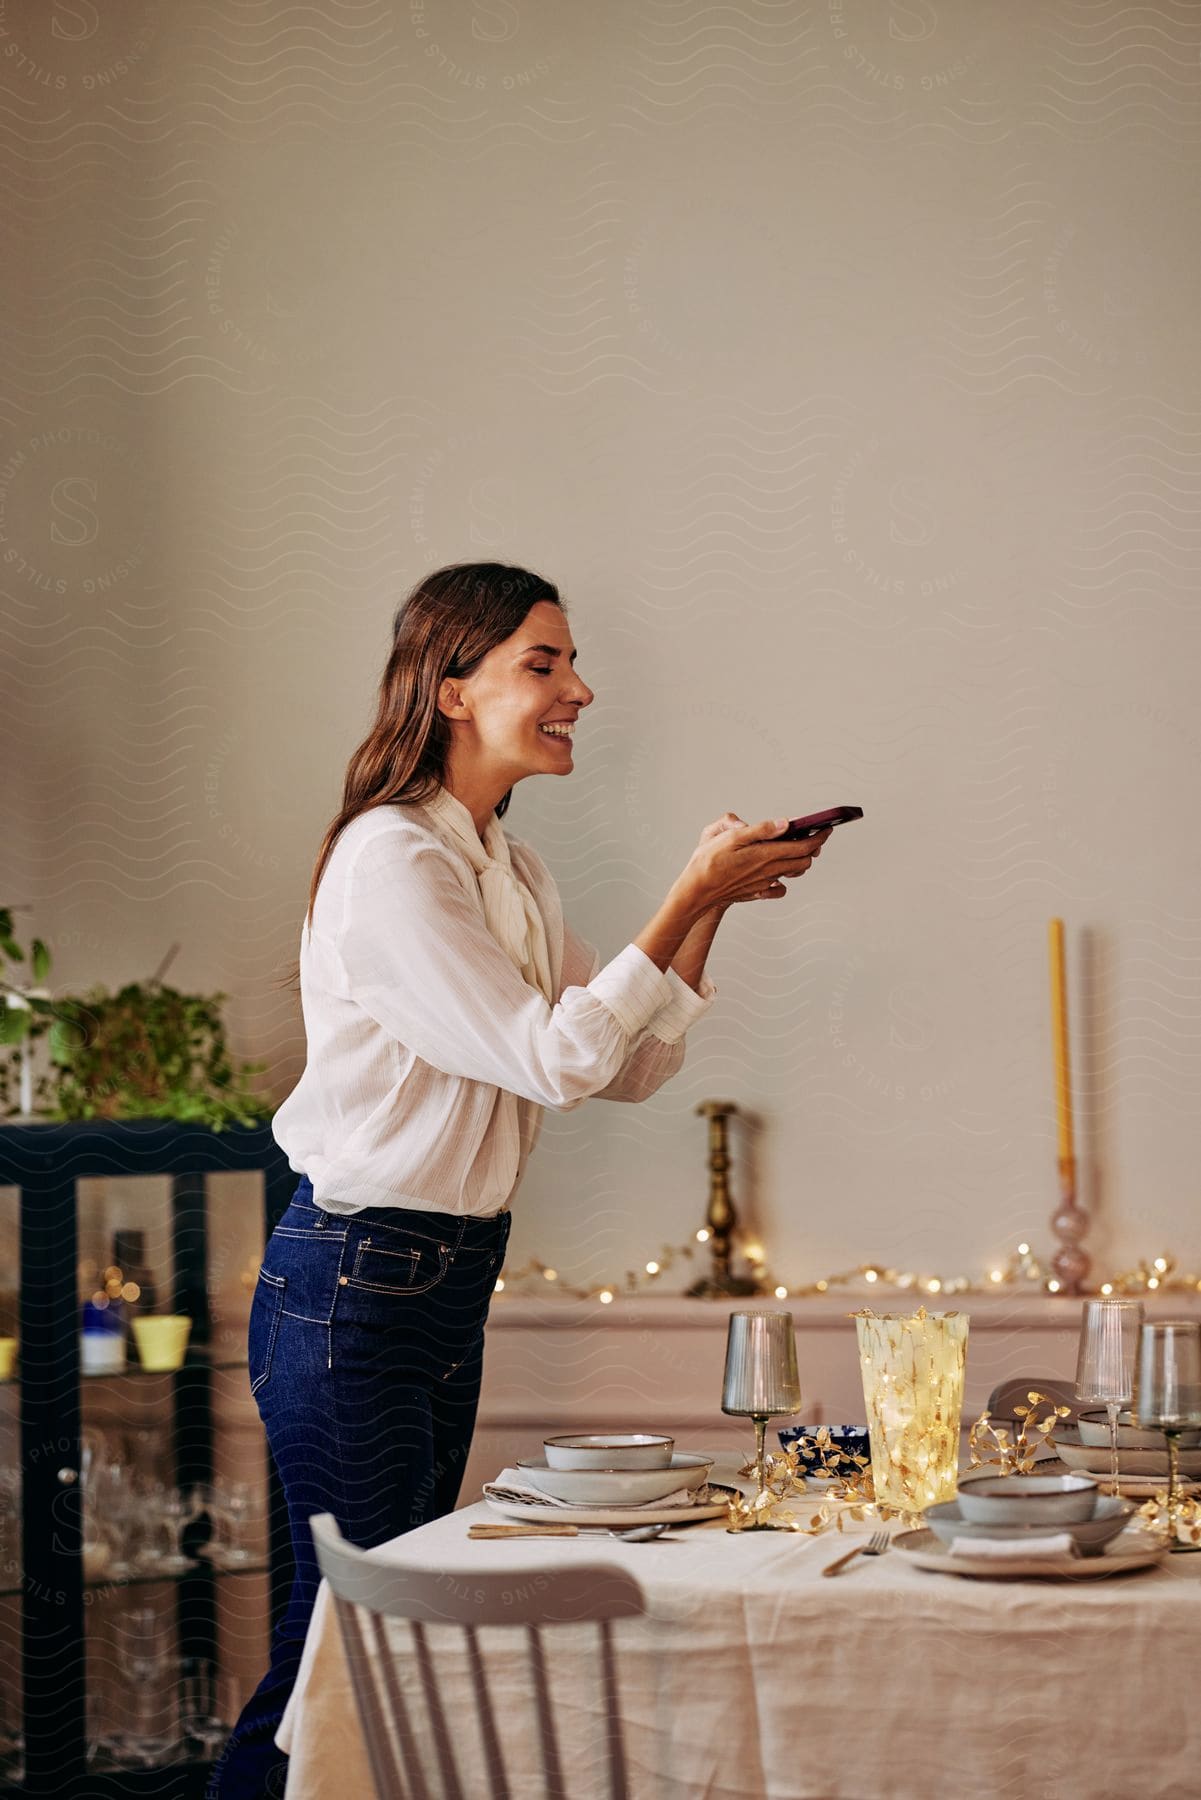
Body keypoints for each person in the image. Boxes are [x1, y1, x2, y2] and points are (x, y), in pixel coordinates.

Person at [209, 561, 832, 1797]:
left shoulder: (510, 868)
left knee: (375, 1644)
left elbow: (627, 1064)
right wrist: (682, 894)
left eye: (570, 663)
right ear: (450, 687)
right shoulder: (395, 862)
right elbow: (557, 1059)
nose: (578, 691)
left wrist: (715, 911)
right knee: (346, 1647)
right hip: (351, 1282)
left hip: (436, 1285)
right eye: (543, 665)